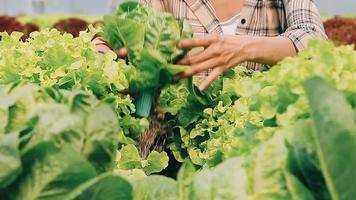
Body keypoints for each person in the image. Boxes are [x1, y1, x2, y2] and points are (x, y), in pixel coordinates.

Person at [95, 0, 327, 91]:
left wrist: (244, 49)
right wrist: (111, 62)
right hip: (175, 148)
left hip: (259, 147)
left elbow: (313, 38)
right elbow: (105, 38)